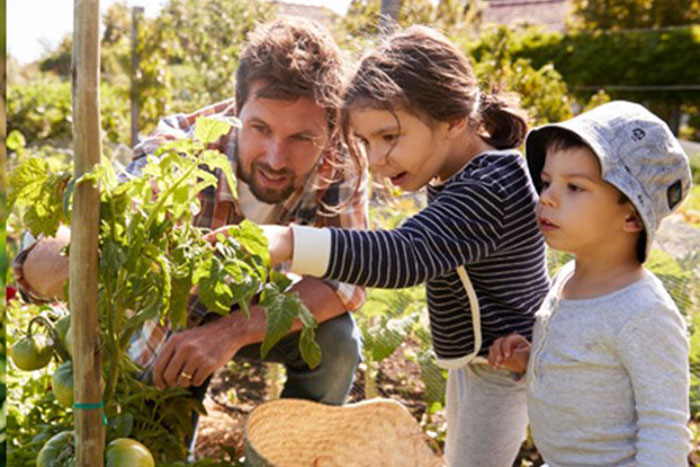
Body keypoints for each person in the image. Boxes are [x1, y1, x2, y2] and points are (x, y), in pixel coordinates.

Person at [211, 26, 551, 466]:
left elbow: (404, 256)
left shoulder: (490, 185)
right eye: (366, 142)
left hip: (507, 365)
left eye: (389, 137)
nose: (374, 159)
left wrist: (288, 241)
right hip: (484, 361)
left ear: (453, 119)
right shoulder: (461, 175)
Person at [15, 16, 367, 420]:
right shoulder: (183, 151)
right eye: (260, 128)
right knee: (154, 437)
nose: (275, 158)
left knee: (337, 342)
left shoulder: (343, 159)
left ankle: (291, 452)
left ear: (329, 128)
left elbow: (347, 276)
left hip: (261, 306)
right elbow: (58, 253)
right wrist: (62, 257)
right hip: (176, 322)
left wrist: (231, 332)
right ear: (236, 109)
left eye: (301, 138)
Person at [487, 100, 692, 465]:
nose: (547, 197)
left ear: (631, 216)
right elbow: (589, 369)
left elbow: (665, 430)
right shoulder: (567, 278)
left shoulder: (643, 313)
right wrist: (531, 360)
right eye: (548, 182)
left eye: (575, 187)